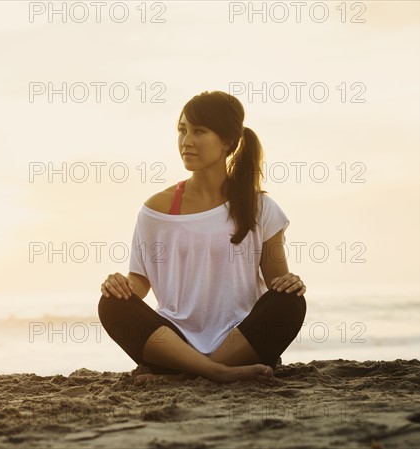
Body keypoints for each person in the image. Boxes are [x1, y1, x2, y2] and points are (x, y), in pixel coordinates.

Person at [97, 90, 307, 386]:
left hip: (239, 342)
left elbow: (277, 283)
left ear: (227, 142)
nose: (186, 141)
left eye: (199, 131)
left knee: (291, 301)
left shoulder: (260, 207)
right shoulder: (156, 210)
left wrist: (291, 283)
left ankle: (188, 375)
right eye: (182, 130)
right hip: (173, 343)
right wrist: (121, 285)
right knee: (111, 304)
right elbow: (140, 281)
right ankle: (215, 372)